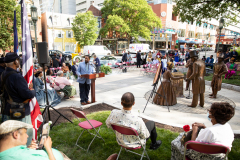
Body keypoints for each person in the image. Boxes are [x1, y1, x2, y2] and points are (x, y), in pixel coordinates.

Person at [0, 52, 35, 146]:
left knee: (10, 137)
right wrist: (32, 90)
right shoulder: (16, 76)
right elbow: (26, 95)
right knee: (24, 135)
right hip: (18, 111)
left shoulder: (3, 74)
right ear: (15, 62)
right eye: (18, 60)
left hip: (7, 109)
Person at [0, 120, 65, 160]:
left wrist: (27, 149)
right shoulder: (23, 157)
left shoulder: (7, 152)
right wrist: (48, 148)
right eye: (25, 132)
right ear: (16, 134)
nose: (27, 136)